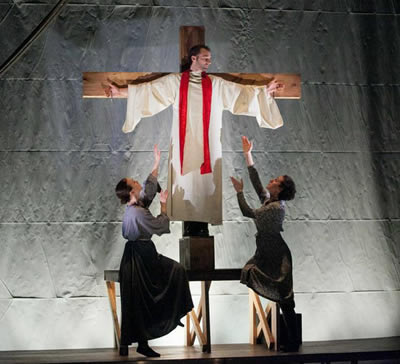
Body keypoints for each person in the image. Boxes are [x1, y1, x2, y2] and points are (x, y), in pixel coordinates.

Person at [107, 45, 284, 230]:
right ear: (193, 58)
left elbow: (241, 94)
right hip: (183, 152)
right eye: (205, 58)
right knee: (184, 189)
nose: (209, 62)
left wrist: (264, 91)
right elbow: (149, 92)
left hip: (209, 150)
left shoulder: (216, 85)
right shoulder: (175, 83)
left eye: (210, 58)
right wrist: (120, 92)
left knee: (205, 191)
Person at [115, 145, 194, 357]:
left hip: (134, 256)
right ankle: (173, 312)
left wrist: (157, 163)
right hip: (143, 257)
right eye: (135, 183)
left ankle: (145, 339)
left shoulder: (134, 208)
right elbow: (160, 225)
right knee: (176, 272)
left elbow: (148, 192)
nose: (138, 183)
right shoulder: (139, 214)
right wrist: (165, 205)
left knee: (139, 300)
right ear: (131, 191)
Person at [230, 136, 300, 352]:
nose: (271, 180)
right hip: (265, 252)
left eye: (275, 180)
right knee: (280, 295)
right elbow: (258, 183)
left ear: (279, 189)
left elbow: (249, 212)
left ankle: (292, 341)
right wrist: (248, 154)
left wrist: (239, 192)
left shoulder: (275, 208)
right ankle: (290, 340)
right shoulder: (270, 201)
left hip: (277, 255)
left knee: (285, 297)